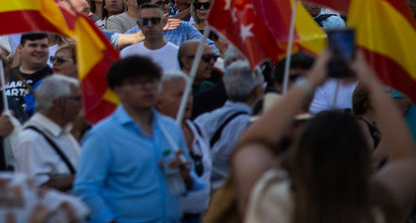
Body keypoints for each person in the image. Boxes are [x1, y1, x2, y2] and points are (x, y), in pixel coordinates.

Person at [230, 50, 416, 223]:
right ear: (360, 157)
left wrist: (311, 80)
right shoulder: (377, 208)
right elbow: (406, 159)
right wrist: (372, 83)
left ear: (302, 152)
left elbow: (251, 143)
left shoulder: (272, 199)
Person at [74, 56, 197, 223]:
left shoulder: (171, 128)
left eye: (152, 81)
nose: (147, 88)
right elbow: (85, 189)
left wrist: (185, 177)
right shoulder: (103, 135)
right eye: (136, 83)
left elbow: (188, 182)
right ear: (118, 90)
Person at [195, 61, 264, 189]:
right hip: (233, 196)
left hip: (207, 196)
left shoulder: (203, 120)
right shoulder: (253, 127)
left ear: (226, 87)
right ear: (257, 90)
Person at [157, 70, 212, 222]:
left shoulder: (198, 129)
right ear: (159, 102)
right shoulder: (154, 134)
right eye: (178, 95)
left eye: (189, 94)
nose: (187, 100)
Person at [14, 75, 83, 191]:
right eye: (77, 99)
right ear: (59, 103)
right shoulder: (31, 139)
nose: (82, 105)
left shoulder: (64, 133)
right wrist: (83, 177)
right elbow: (34, 188)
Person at [119, 3, 180, 73]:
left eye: (155, 21)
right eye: (144, 21)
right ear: (139, 24)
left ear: (164, 22)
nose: (150, 25)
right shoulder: (126, 54)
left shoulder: (177, 54)